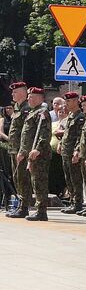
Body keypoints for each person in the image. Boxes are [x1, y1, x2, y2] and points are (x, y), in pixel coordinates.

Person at [22, 88, 52, 221]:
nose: (29, 99)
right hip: (32, 152)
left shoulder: (42, 112)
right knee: (35, 181)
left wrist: (38, 149)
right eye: (28, 96)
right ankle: (39, 209)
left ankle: (41, 211)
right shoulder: (33, 112)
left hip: (40, 154)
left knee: (40, 181)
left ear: (40, 98)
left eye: (32, 97)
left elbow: (44, 133)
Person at [5, 82, 31, 217]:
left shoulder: (27, 109)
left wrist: (23, 150)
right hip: (14, 149)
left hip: (21, 150)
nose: (12, 94)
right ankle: (21, 205)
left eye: (15, 92)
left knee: (22, 179)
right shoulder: (17, 108)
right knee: (16, 178)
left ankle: (24, 207)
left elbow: (26, 133)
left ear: (22, 93)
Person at [60, 91, 86, 214]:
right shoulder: (70, 116)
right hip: (66, 152)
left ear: (76, 101)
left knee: (75, 178)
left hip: (72, 152)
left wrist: (76, 151)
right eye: (66, 101)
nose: (66, 104)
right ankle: (72, 201)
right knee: (68, 178)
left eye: (69, 101)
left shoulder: (80, 117)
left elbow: (79, 136)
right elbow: (67, 133)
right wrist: (61, 143)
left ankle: (78, 203)